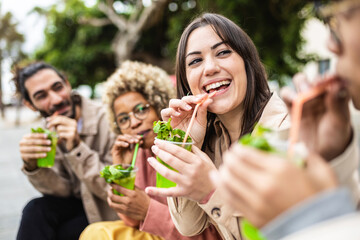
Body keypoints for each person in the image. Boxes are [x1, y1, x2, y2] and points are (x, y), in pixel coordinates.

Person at [216, 0, 360, 239]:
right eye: (195, 61)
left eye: (335, 18)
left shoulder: (278, 127)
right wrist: (330, 158)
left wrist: (307, 220)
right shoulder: (206, 137)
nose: (331, 44)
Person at [144, 13, 290, 240]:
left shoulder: (284, 131)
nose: (210, 68)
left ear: (247, 61)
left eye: (223, 52)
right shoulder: (211, 139)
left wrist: (212, 191)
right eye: (195, 61)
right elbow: (188, 225)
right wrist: (185, 142)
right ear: (187, 83)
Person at [79, 60, 221, 240]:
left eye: (141, 109)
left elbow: (213, 234)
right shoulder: (140, 153)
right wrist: (121, 169)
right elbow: (131, 221)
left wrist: (148, 209)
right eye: (123, 119)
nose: (134, 123)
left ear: (158, 104)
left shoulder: (188, 146)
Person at [12, 62, 118, 240]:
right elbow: (63, 191)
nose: (56, 100)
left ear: (67, 84)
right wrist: (33, 166)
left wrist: (77, 147)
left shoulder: (108, 119)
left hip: (108, 211)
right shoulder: (47, 130)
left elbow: (114, 189)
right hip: (78, 207)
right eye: (41, 96)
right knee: (35, 210)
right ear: (30, 104)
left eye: (57, 87)